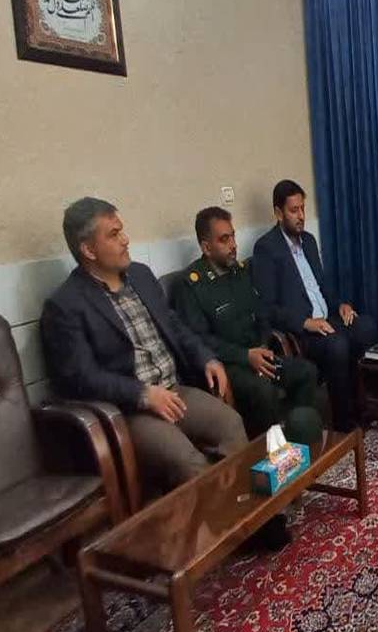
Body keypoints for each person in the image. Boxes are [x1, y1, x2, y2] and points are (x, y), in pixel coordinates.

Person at [41, 198, 249, 495]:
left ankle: (239, 506)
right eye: (114, 235)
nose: (126, 240)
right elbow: (80, 378)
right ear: (88, 250)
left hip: (175, 391)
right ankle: (218, 520)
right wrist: (142, 394)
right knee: (187, 461)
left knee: (231, 425)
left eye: (122, 230)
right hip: (131, 410)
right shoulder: (65, 305)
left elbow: (175, 326)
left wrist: (207, 359)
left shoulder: (140, 276)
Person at [173, 207, 321, 437]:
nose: (233, 245)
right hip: (230, 366)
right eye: (224, 239)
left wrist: (263, 344)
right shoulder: (191, 284)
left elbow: (261, 313)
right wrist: (245, 356)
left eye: (233, 236)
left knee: (306, 372)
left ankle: (300, 439)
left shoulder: (240, 271)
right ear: (206, 247)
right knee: (263, 391)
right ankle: (273, 453)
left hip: (258, 355)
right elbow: (200, 341)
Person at [252, 179, 378, 432]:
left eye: (302, 209)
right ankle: (344, 424)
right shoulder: (266, 248)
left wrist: (340, 305)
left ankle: (360, 408)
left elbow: (322, 286)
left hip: (328, 319)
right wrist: (305, 322)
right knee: (338, 345)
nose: (301, 216)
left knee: (366, 327)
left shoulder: (308, 241)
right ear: (278, 213)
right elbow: (267, 307)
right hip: (302, 332)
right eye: (294, 210)